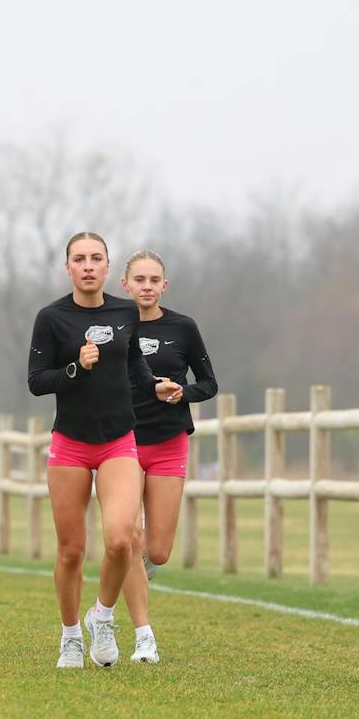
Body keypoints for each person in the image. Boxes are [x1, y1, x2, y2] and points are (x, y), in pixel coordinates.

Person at [28, 232, 182, 669]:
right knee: (72, 550)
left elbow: (134, 363)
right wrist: (76, 367)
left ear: (108, 266)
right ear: (69, 268)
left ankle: (104, 616)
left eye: (96, 258)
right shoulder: (51, 318)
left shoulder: (123, 311)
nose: (89, 266)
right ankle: (71, 635)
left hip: (118, 442)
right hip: (71, 445)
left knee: (119, 541)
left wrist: (154, 384)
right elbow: (37, 381)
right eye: (80, 259)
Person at [119, 250, 218, 663]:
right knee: (127, 535)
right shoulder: (111, 324)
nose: (146, 286)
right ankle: (143, 635)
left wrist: (184, 393)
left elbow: (209, 382)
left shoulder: (183, 327)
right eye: (138, 279)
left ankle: (125, 577)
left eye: (153, 279)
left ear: (164, 285)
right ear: (125, 284)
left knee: (157, 551)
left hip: (169, 442)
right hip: (122, 443)